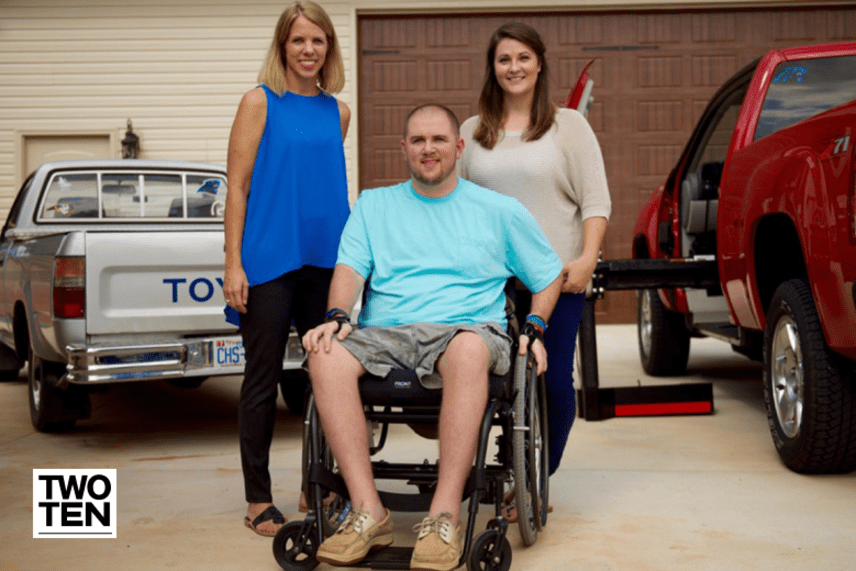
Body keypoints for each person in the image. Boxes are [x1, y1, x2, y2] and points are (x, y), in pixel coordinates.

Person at [302, 104, 562, 571]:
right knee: (324, 353)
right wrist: (338, 315)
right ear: (403, 149)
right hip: (387, 331)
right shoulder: (373, 205)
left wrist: (537, 326)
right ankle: (368, 510)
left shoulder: (498, 211)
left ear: (458, 147)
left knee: (467, 351)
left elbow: (547, 275)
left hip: (467, 329)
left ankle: (444, 515)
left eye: (438, 139)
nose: (428, 149)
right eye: (418, 141)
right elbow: (349, 271)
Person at [458, 22, 611, 512]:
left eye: (523, 57)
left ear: (539, 63)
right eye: (504, 59)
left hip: (557, 279)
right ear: (493, 67)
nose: (514, 68)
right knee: (485, 383)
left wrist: (587, 258)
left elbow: (595, 200)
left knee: (552, 385)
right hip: (487, 285)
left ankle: (533, 478)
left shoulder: (569, 125)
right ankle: (498, 468)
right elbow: (451, 204)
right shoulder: (469, 131)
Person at [223, 1, 351, 537]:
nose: (308, 50)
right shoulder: (259, 102)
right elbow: (239, 186)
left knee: (328, 380)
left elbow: (317, 188)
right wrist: (233, 261)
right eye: (298, 40)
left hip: (326, 261)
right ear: (282, 46)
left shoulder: (338, 111)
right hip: (270, 261)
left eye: (317, 41)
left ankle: (316, 484)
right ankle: (257, 500)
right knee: (262, 378)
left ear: (329, 48)